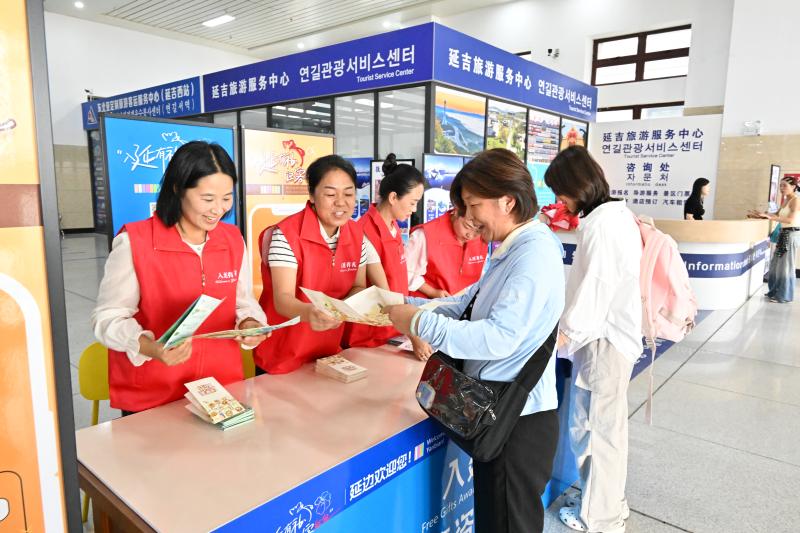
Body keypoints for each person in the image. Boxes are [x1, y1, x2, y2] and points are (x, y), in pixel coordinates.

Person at [385, 148, 564, 533]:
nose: (468, 217)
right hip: (500, 411)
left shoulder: (533, 255)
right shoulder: (513, 249)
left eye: (473, 204)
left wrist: (417, 321)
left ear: (507, 201)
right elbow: (466, 303)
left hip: (516, 420)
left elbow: (499, 338)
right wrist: (405, 307)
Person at [92, 141, 269, 414]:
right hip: (154, 393)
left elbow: (243, 301)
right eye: (207, 199)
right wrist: (151, 347)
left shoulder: (232, 239)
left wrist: (249, 323)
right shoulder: (135, 242)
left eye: (226, 198)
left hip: (218, 388)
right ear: (177, 189)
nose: (218, 209)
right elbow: (107, 319)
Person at [544, 146, 642, 533]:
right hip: (612, 338)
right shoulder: (616, 216)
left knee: (596, 431)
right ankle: (606, 502)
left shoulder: (601, 225)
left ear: (576, 186)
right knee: (606, 429)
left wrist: (560, 337)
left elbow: (594, 292)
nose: (560, 201)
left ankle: (600, 519)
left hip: (604, 342)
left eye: (560, 192)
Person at [254, 155, 371, 374]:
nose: (341, 202)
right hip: (281, 355)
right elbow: (282, 299)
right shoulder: (286, 234)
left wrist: (342, 308)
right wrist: (311, 313)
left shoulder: (357, 235)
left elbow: (358, 285)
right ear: (311, 195)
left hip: (327, 351)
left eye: (348, 194)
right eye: (330, 194)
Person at [342, 154, 428, 354]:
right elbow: (382, 292)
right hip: (369, 335)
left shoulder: (394, 226)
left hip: (393, 328)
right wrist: (414, 335)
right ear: (393, 198)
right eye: (413, 202)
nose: (414, 209)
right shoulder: (364, 231)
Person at [405, 209, 487, 299]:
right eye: (467, 226)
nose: (470, 235)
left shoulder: (484, 237)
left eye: (478, 231)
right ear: (456, 211)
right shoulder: (425, 235)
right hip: (424, 302)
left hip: (459, 303)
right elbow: (405, 272)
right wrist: (432, 292)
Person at [754, 176, 800, 303]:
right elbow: (777, 215)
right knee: (775, 265)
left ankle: (784, 296)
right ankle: (774, 291)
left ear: (793, 187)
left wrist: (771, 217)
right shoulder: (786, 200)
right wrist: (763, 215)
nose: (781, 188)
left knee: (785, 266)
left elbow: (789, 219)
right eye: (780, 185)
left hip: (791, 235)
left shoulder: (796, 200)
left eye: (785, 185)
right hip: (783, 234)